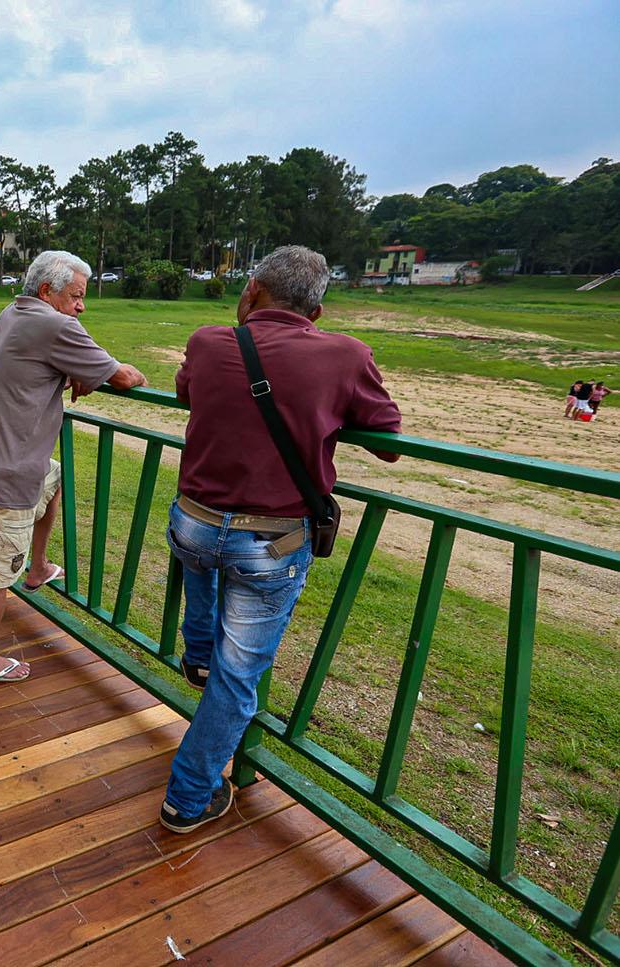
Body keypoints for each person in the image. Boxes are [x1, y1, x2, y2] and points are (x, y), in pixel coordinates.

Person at [159, 245, 402, 835]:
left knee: (199, 560)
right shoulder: (347, 354)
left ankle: (196, 654)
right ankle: (187, 799)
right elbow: (390, 441)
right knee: (237, 680)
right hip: (268, 542)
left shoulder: (207, 339)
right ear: (316, 312)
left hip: (193, 520)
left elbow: (186, 394)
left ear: (252, 292)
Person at [0, 250, 148, 683]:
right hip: (10, 470)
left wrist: (69, 373)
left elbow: (32, 363)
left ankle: (39, 566)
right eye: (76, 295)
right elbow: (120, 376)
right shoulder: (57, 324)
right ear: (47, 291)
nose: (82, 305)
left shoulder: (14, 311)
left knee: (55, 474)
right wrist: (131, 375)